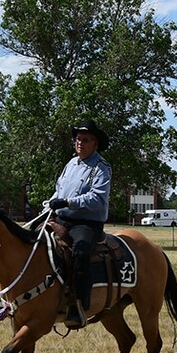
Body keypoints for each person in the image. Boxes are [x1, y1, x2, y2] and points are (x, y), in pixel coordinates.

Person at [44, 122, 113, 327]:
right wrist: (49, 206)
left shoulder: (102, 167)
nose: (80, 143)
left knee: (80, 252)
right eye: (77, 139)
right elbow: (60, 191)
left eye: (85, 139)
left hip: (86, 223)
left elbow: (97, 199)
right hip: (61, 218)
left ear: (95, 143)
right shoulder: (71, 164)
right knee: (33, 240)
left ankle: (79, 304)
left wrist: (68, 202)